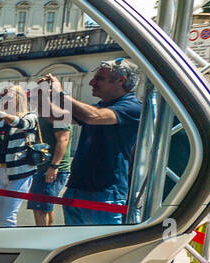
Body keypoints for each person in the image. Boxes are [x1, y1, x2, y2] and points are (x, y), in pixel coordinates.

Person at [40, 59, 141, 226]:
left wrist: (59, 94)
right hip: (78, 188)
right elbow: (54, 117)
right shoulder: (100, 107)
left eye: (99, 78)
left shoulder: (132, 107)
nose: (92, 82)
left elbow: (92, 117)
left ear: (121, 80)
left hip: (105, 192)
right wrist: (42, 95)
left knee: (103, 249)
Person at [0, 84, 39, 228]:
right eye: (2, 96)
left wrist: (1, 114)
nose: (4, 100)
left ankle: (7, 246)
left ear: (19, 99)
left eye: (9, 96)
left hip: (19, 173)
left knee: (8, 215)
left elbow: (22, 124)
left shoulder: (30, 117)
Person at [27, 81, 73, 227]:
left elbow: (63, 140)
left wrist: (54, 166)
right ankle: (47, 231)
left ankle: (42, 235)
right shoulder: (42, 115)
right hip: (43, 167)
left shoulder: (58, 113)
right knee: (46, 206)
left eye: (35, 96)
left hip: (52, 169)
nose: (31, 100)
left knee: (39, 207)